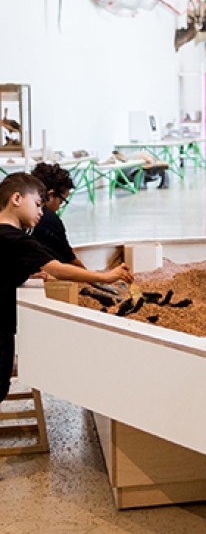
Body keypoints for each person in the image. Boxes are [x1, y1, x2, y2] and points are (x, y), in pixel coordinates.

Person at [0, 173, 132, 404]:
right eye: (37, 205)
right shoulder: (16, 239)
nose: (41, 212)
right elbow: (58, 268)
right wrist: (106, 276)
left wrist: (24, 272)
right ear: (17, 199)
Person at [31, 162, 85, 266]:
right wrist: (96, 278)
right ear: (50, 195)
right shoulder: (48, 218)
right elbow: (69, 259)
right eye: (61, 202)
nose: (59, 207)